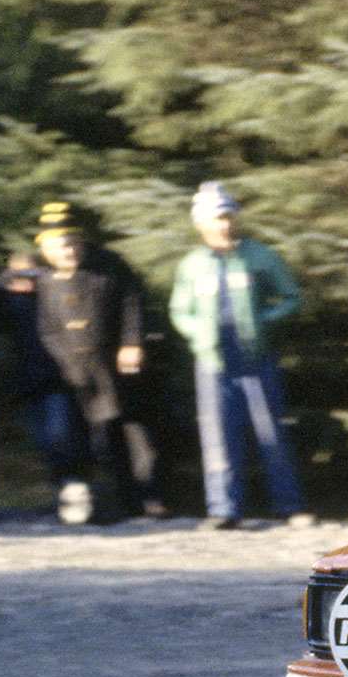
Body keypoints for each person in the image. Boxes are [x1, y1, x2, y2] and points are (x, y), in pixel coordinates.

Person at [168, 182, 310, 529]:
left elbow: (291, 297)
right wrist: (197, 335)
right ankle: (224, 509)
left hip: (255, 356)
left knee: (270, 431)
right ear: (201, 224)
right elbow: (179, 310)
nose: (223, 225)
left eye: (228, 217)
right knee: (218, 434)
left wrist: (264, 321)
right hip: (213, 360)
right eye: (216, 219)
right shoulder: (192, 264)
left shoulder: (260, 256)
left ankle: (289, 506)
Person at [30, 202, 165, 524]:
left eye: (73, 242)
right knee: (85, 439)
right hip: (75, 372)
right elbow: (47, 329)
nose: (69, 251)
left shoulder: (109, 265)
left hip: (116, 363)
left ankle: (147, 498)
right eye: (60, 245)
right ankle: (98, 503)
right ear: (46, 248)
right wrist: (65, 364)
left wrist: (132, 342)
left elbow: (133, 303)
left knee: (132, 433)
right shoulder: (45, 279)